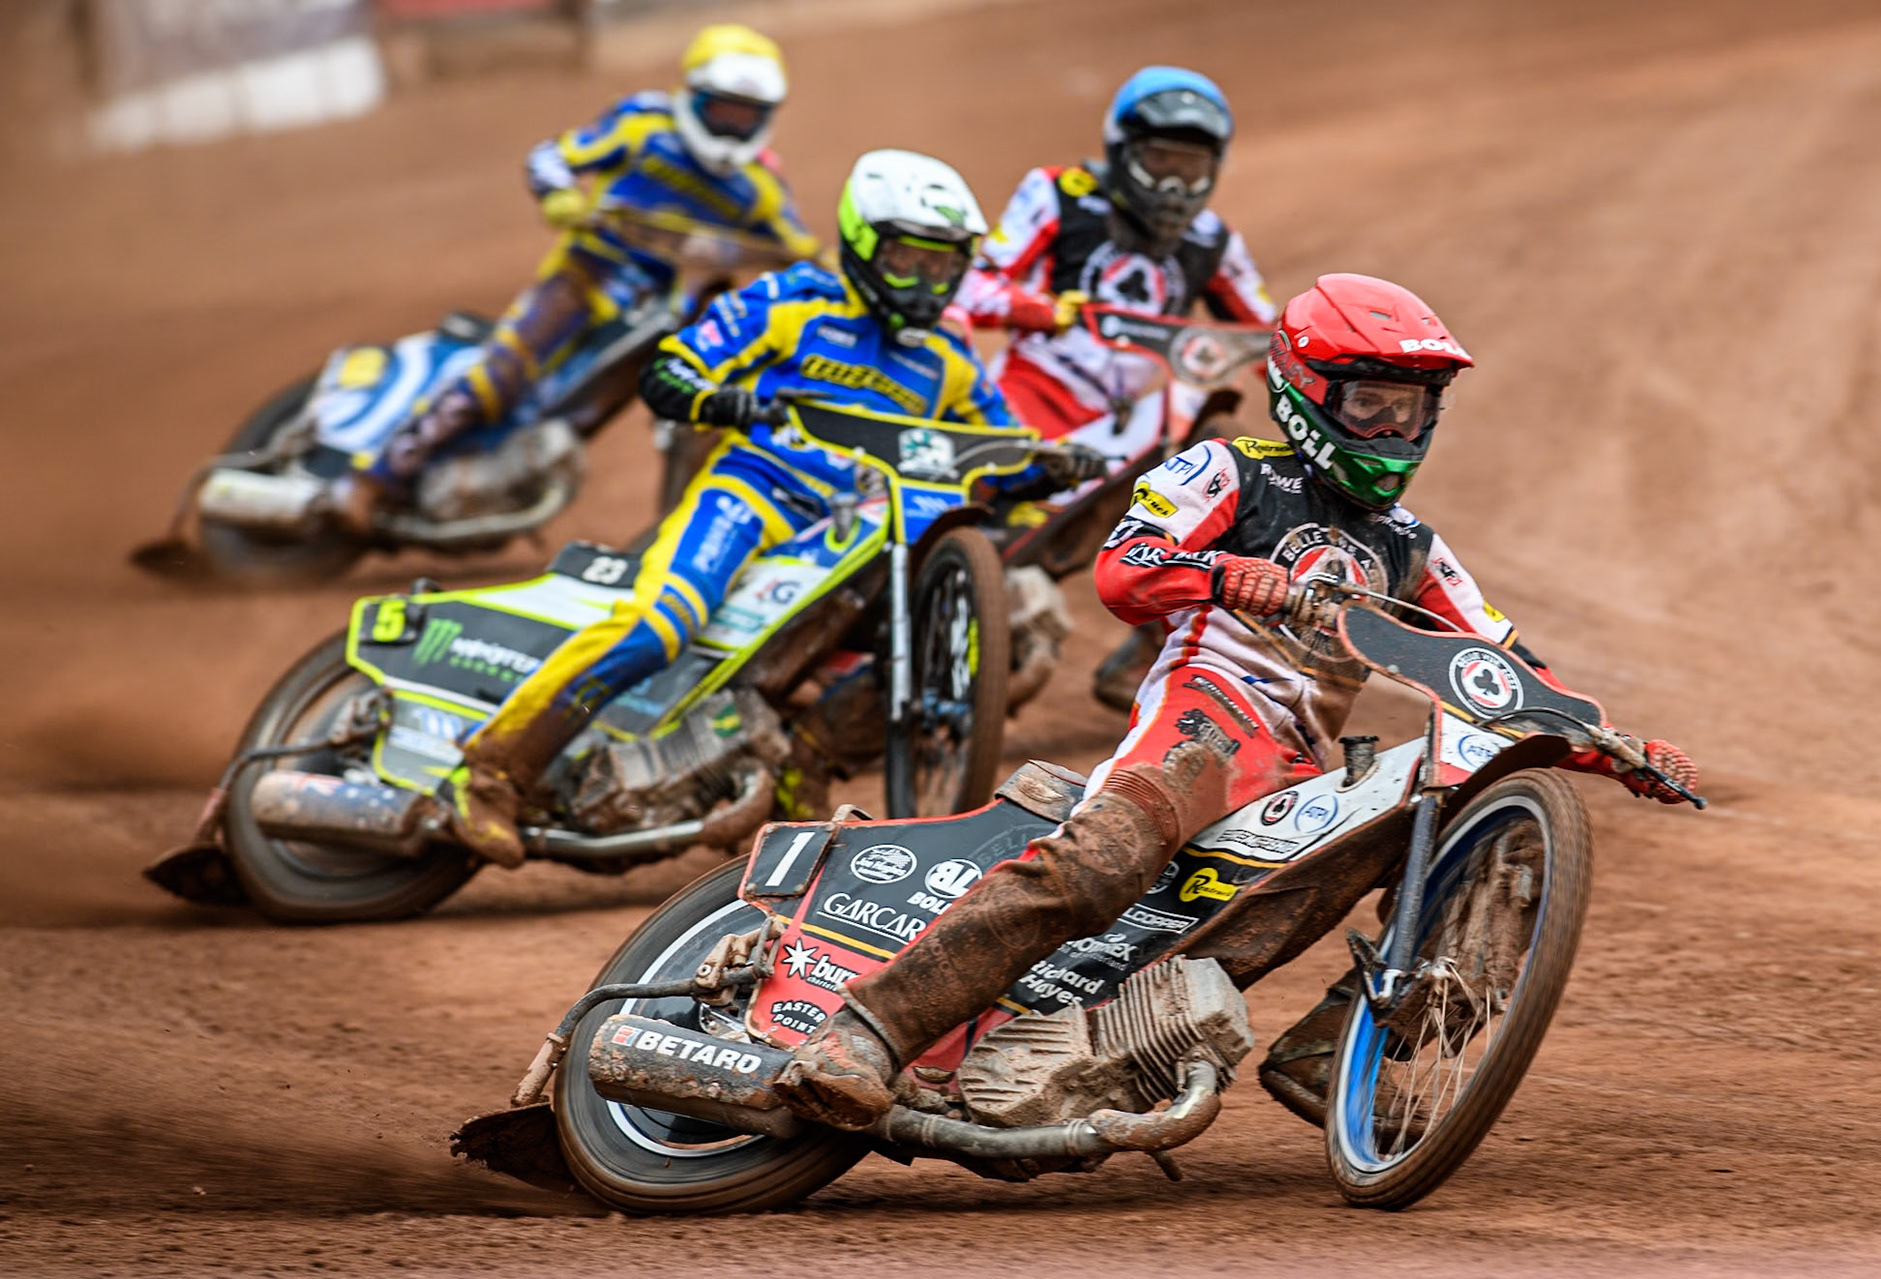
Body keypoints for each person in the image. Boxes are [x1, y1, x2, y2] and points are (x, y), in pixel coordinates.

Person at [773, 273, 1700, 1130]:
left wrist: (1613, 743)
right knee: (1097, 865)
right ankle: (867, 1033)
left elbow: (1501, 667)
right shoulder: (1231, 469)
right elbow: (1123, 568)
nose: (1390, 430)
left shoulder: (1413, 544)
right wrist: (1224, 574)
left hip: (1302, 772)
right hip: (1203, 723)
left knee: (1480, 837)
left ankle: (1332, 1050)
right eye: (1369, 405)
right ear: (1306, 393)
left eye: (1410, 409)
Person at [440, 149, 1100, 868]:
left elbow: (1001, 451)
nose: (926, 283)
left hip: (857, 534)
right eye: (910, 260)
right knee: (661, 625)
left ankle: (803, 761)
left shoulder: (950, 358)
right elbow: (672, 369)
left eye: (944, 266)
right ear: (863, 242)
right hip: (753, 493)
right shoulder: (793, 301)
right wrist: (722, 399)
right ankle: (493, 770)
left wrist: (1051, 465)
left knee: (955, 630)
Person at [333, 23, 817, 527]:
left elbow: (802, 250)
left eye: (747, 115)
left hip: (661, 315)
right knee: (503, 375)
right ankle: (373, 479)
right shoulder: (643, 127)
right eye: (723, 110)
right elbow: (552, 156)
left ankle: (643, 520)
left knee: (634, 405)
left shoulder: (759, 187)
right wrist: (560, 194)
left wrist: (825, 270)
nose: (733, 126)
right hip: (587, 275)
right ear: (693, 96)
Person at [957, 65, 1278, 712]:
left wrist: (1318, 387)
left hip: (1138, 426)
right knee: (956, 511)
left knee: (1220, 455)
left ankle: (1160, 652)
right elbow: (969, 283)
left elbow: (1269, 337)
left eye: (1190, 168)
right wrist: (1043, 311)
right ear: (1122, 150)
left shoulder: (1212, 240)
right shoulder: (1059, 194)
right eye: (1160, 162)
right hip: (1034, 401)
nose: (1174, 186)